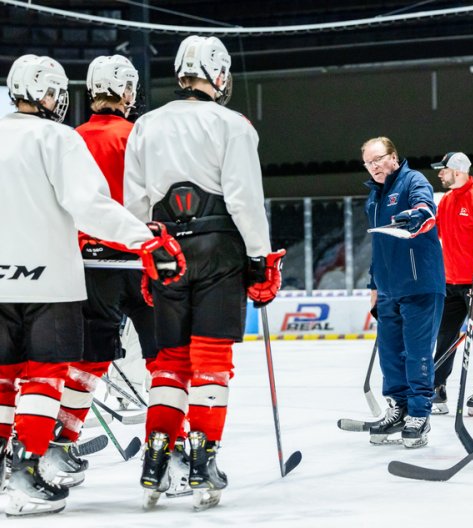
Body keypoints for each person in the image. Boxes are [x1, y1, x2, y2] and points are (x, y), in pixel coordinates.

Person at [0, 54, 185, 517]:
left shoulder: (70, 134)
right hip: (74, 274)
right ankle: (31, 468)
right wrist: (149, 240)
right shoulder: (65, 137)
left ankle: (37, 454)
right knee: (50, 373)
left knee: (9, 376)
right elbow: (92, 204)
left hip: (46, 273)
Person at [123, 35, 284, 511]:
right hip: (220, 248)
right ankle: (202, 462)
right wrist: (261, 256)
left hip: (165, 249)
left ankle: (155, 461)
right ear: (217, 74)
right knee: (211, 361)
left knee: (169, 361)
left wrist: (145, 258)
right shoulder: (232, 124)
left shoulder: (145, 125)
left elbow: (134, 204)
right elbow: (243, 198)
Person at [47, 54, 161, 489]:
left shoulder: (70, 138)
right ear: (128, 91)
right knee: (163, 356)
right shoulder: (139, 137)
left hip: (88, 265)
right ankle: (167, 449)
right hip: (141, 260)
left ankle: (61, 442)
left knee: (88, 359)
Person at [362, 136, 445, 449]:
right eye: (369, 163)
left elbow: (426, 208)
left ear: (393, 156)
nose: (375, 167)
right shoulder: (374, 198)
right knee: (390, 354)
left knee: (416, 352)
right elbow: (377, 247)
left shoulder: (413, 181)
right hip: (388, 289)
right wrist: (374, 286)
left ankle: (419, 413)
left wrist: (418, 215)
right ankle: (398, 408)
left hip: (419, 283)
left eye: (379, 159)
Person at [430, 152, 473, 416]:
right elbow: (435, 235)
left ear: (457, 171)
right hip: (449, 283)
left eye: (443, 170)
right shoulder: (446, 201)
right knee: (444, 335)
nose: (439, 174)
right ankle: (437, 385)